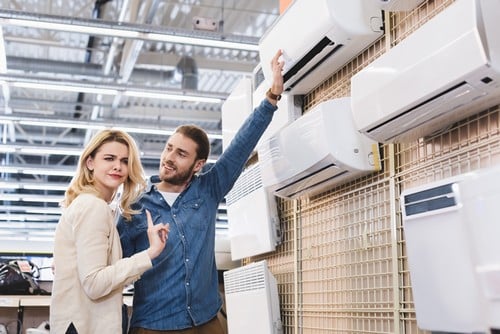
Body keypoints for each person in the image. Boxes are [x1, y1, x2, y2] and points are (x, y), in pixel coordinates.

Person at [117, 49, 285, 333]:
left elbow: (239, 148)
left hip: (206, 322)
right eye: (169, 148)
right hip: (154, 325)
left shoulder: (207, 189)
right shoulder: (134, 206)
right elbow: (114, 268)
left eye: (181, 153)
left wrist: (271, 96)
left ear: (198, 165)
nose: (169, 157)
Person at [50, 129, 170, 334]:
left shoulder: (93, 206)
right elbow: (94, 284)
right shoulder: (93, 207)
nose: (118, 166)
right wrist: (150, 253)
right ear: (90, 162)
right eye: (109, 158)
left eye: (124, 161)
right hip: (86, 326)